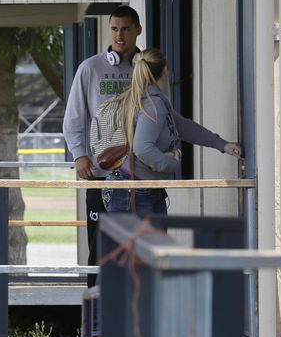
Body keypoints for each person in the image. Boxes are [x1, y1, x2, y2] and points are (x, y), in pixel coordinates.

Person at [101, 48, 243, 216]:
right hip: (135, 191)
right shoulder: (154, 105)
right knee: (147, 243)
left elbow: (183, 126)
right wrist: (172, 163)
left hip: (134, 188)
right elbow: (142, 148)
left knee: (146, 243)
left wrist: (222, 144)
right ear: (165, 71)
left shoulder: (142, 99)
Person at [63, 5, 140, 284]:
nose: (120, 35)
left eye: (126, 29)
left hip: (140, 176)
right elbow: (73, 117)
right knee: (100, 248)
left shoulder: (149, 68)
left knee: (138, 249)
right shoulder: (90, 68)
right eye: (115, 28)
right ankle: (96, 320)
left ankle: (137, 320)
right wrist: (79, 155)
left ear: (137, 31)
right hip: (99, 173)